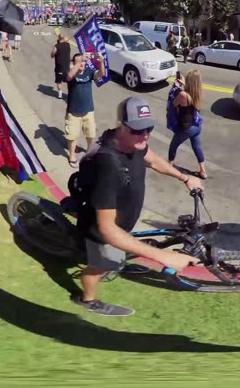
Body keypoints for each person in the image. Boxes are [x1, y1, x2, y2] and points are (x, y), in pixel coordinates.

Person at [71, 97, 203, 317]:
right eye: (137, 130)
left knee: (120, 252)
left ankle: (119, 262)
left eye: (148, 128)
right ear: (122, 125)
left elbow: (152, 160)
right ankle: (88, 299)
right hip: (103, 233)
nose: (144, 135)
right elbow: (107, 230)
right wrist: (163, 257)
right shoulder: (109, 165)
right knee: (101, 266)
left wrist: (185, 177)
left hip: (122, 223)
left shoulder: (132, 143)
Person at [64, 52, 106, 168]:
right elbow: (68, 77)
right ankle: (72, 156)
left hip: (88, 111)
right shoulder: (72, 73)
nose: (82, 63)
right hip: (73, 112)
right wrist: (79, 62)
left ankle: (90, 153)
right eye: (78, 61)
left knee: (90, 134)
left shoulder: (89, 72)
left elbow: (101, 74)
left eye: (83, 61)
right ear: (74, 63)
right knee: (72, 136)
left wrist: (101, 62)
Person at [166, 69, 206, 178]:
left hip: (186, 128)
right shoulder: (197, 93)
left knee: (173, 146)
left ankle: (169, 167)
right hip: (197, 126)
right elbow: (189, 92)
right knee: (197, 147)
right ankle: (203, 171)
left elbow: (172, 104)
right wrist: (182, 84)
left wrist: (175, 87)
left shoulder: (183, 94)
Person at [51, 33, 72, 100]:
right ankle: (70, 95)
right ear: (64, 37)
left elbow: (52, 55)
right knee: (68, 81)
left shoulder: (56, 46)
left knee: (59, 81)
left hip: (59, 67)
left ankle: (60, 95)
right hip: (67, 67)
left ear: (58, 38)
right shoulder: (68, 45)